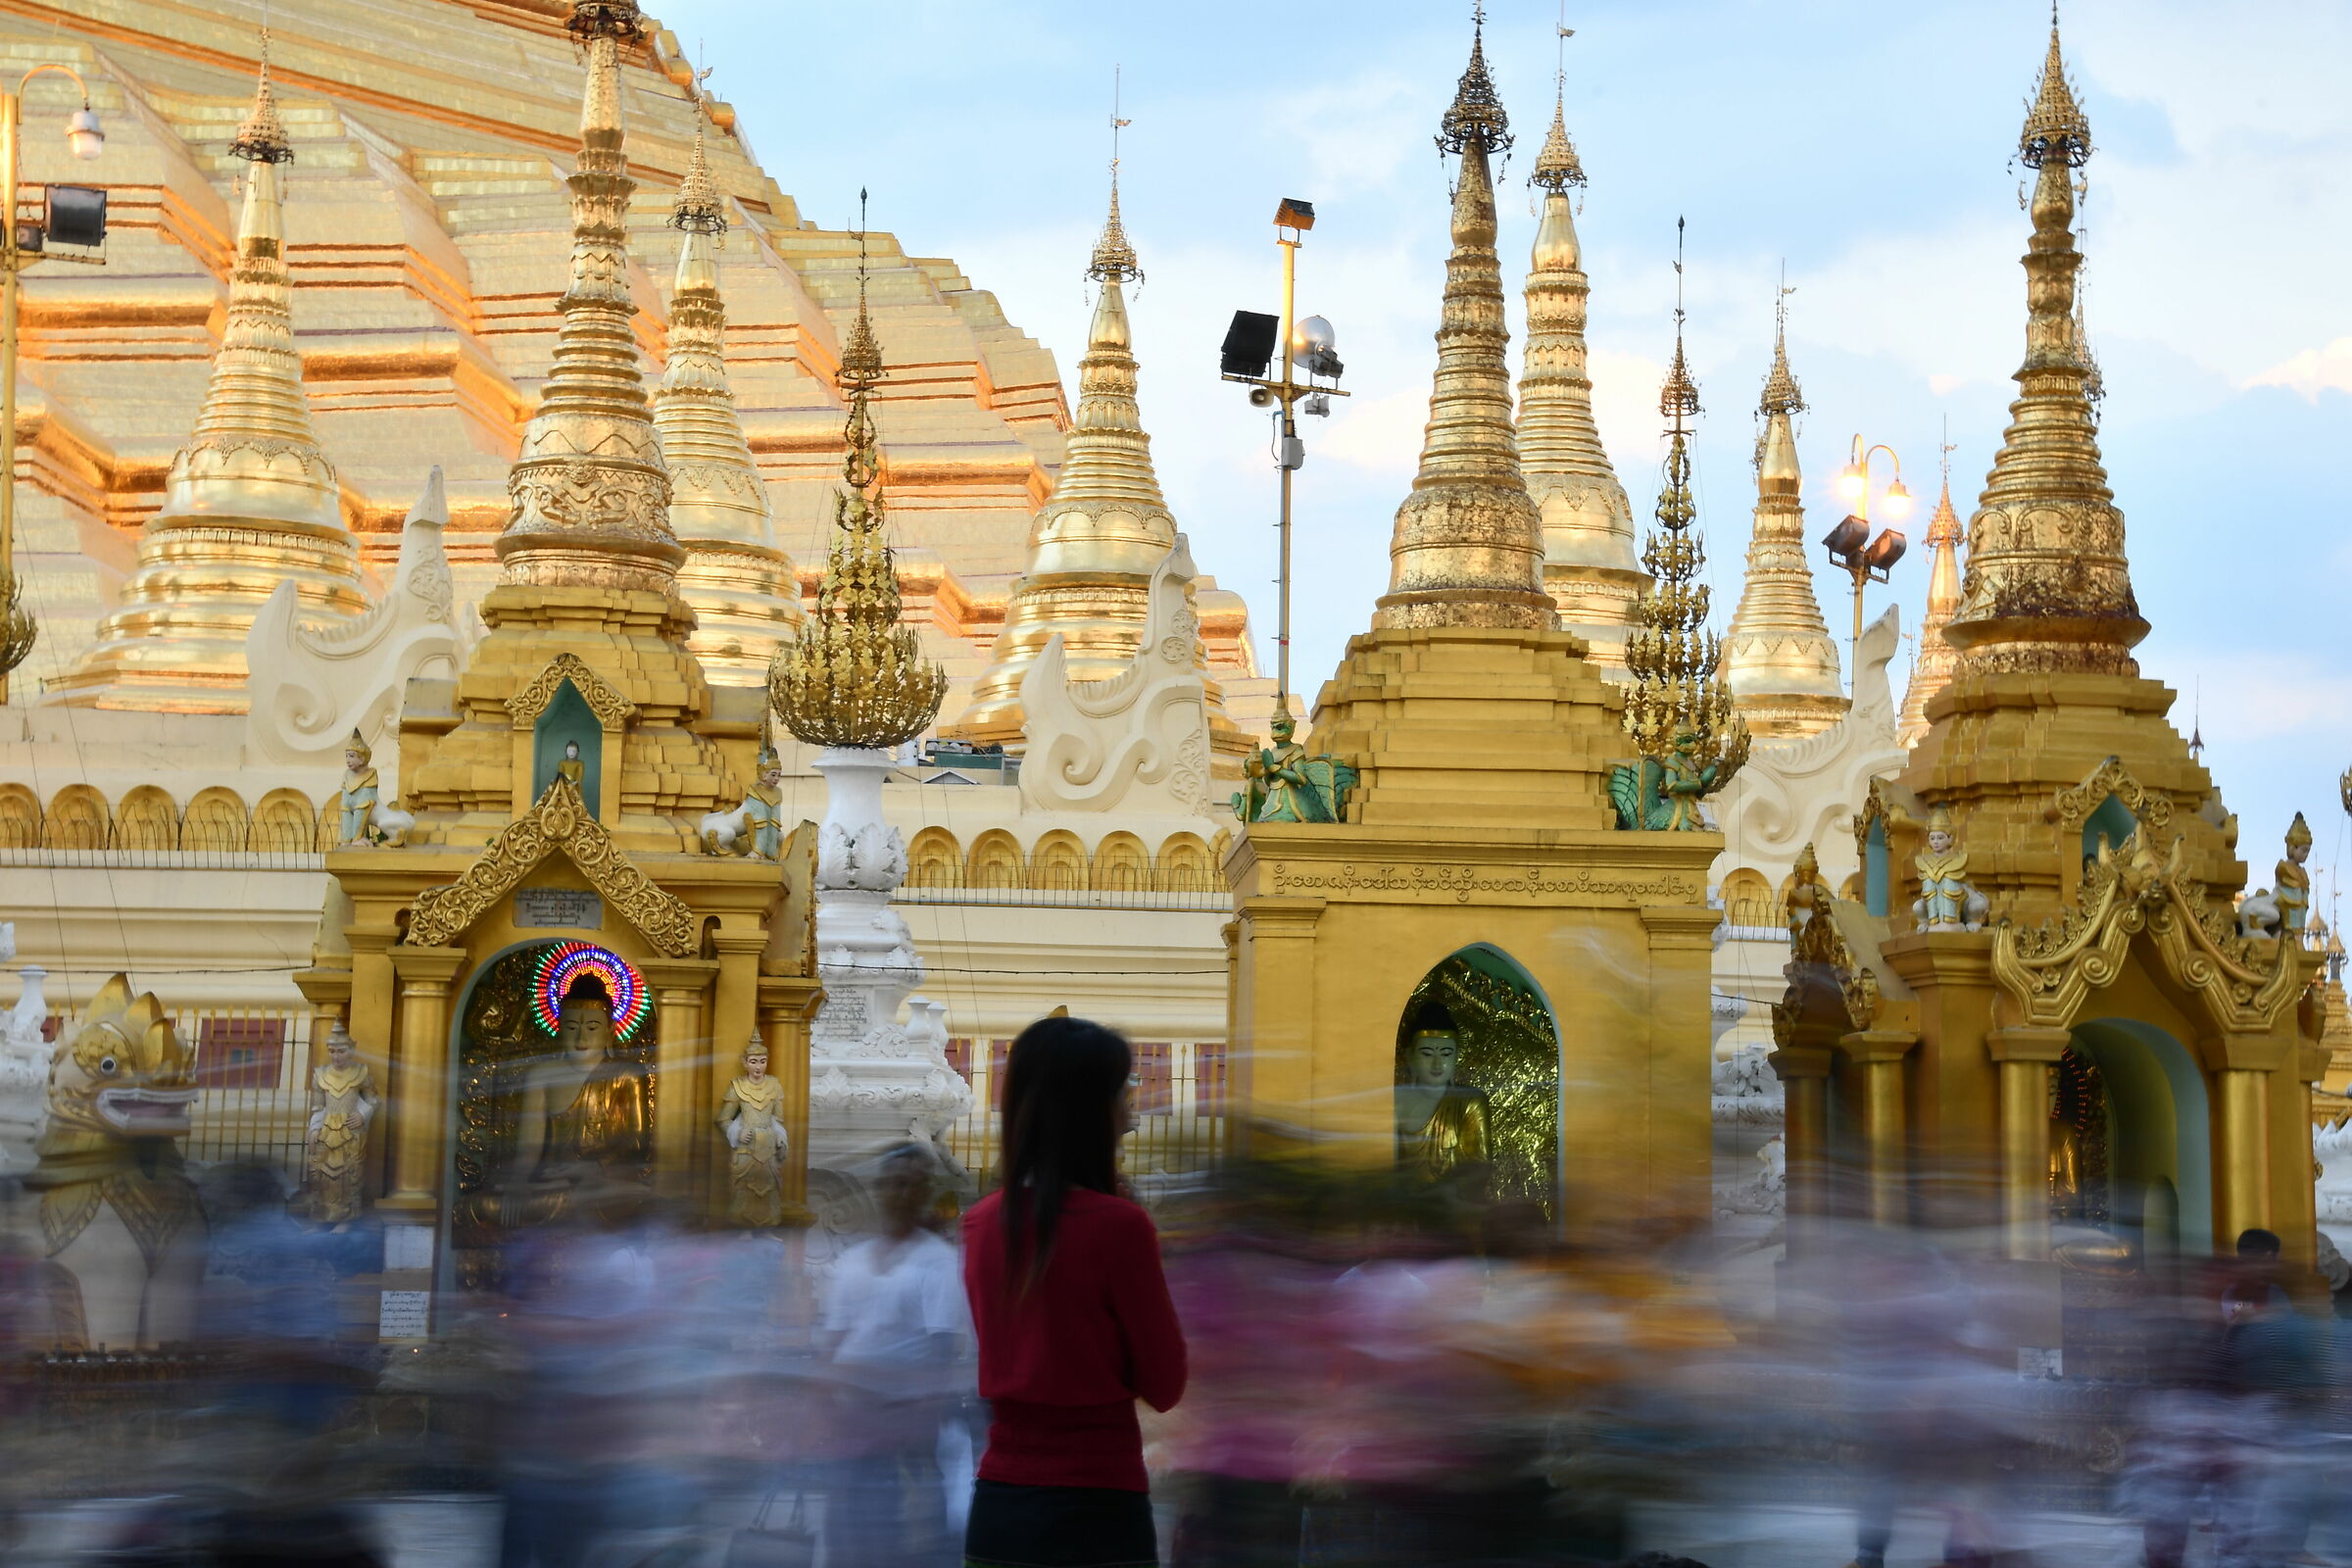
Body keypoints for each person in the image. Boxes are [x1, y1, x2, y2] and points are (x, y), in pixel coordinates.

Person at [962, 1015, 1186, 1568]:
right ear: (1093, 1109)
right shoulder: (1121, 1227)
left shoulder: (982, 1222)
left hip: (1001, 1508)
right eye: (1122, 1090)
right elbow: (1165, 1383)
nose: (1131, 1106)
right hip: (1099, 1506)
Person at [820, 1144, 970, 1566]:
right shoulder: (852, 1261)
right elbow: (833, 1341)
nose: (903, 1194)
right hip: (852, 1420)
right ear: (880, 1189)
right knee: (848, 1531)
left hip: (903, 1423)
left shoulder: (938, 1262)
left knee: (903, 1535)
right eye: (895, 1184)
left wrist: (921, 1420)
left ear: (925, 1194)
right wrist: (823, 1402)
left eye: (914, 1185)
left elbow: (941, 1349)